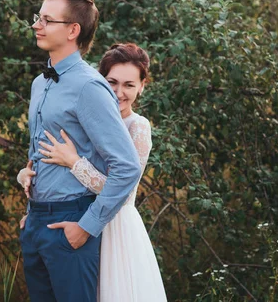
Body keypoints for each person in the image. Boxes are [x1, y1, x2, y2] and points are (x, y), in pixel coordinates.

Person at [19, 0, 141, 302]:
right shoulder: (38, 84)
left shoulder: (90, 87)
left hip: (72, 223)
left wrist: (86, 226)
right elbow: (39, 151)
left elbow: (127, 168)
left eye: (47, 20)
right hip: (35, 222)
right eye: (38, 17)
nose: (37, 25)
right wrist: (30, 187)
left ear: (73, 30)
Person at [19, 43, 168, 302]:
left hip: (113, 226)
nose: (119, 92)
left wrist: (75, 163)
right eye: (112, 82)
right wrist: (30, 191)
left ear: (142, 86)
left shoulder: (138, 127)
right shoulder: (88, 114)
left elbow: (124, 188)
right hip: (73, 217)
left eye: (129, 85)